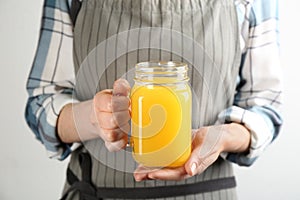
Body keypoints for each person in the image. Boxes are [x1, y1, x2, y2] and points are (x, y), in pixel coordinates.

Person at [25, 0, 283, 199]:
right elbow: (42, 102)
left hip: (209, 191)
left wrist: (222, 137)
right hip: (99, 191)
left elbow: (265, 105)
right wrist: (93, 119)